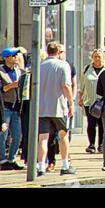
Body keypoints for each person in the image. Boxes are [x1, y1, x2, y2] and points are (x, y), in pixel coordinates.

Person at [37, 42, 76, 176]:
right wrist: (71, 103)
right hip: (59, 107)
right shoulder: (63, 65)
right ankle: (65, 165)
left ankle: (40, 166)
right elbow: (66, 85)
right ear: (58, 52)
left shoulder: (40, 66)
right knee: (63, 135)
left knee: (43, 137)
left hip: (42, 107)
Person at [79, 49, 105, 154]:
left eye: (99, 56)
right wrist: (80, 97)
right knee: (91, 123)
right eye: (95, 56)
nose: (97, 58)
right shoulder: (87, 69)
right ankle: (91, 144)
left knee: (102, 124)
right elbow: (81, 85)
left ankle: (101, 145)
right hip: (89, 101)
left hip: (103, 101)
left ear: (103, 58)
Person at [0, 48, 25, 170]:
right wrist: (11, 85)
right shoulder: (1, 71)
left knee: (17, 134)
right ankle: (2, 160)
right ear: (6, 58)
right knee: (3, 134)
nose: (16, 57)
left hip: (17, 107)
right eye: (13, 55)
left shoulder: (19, 71)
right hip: (5, 106)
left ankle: (12, 158)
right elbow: (1, 90)